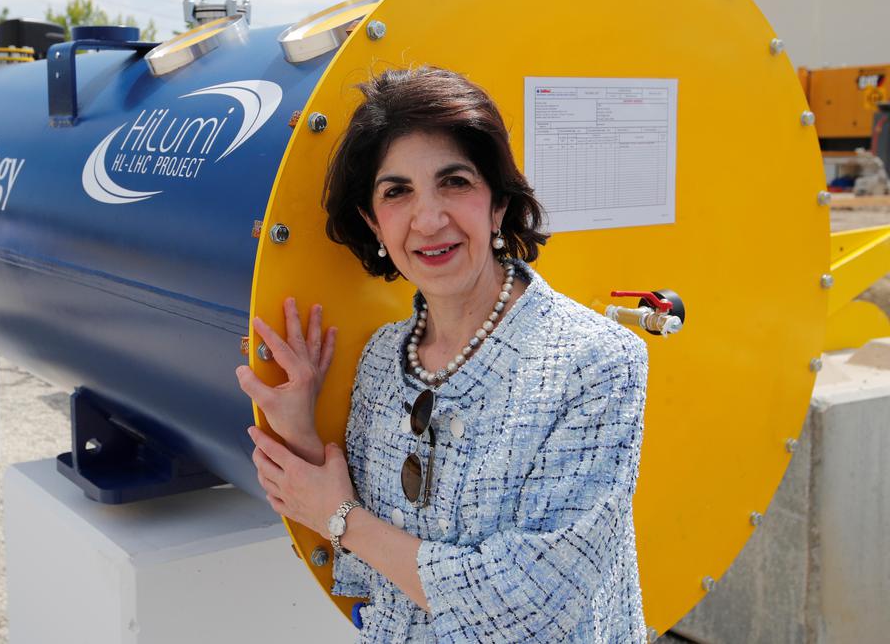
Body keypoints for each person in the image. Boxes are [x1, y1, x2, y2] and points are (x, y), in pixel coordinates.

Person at [236, 67, 648, 642]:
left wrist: (344, 520)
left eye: (454, 182)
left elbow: (531, 605)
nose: (428, 220)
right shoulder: (384, 360)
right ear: (372, 221)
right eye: (396, 191)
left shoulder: (595, 361)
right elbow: (367, 568)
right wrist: (299, 431)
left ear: (498, 205)